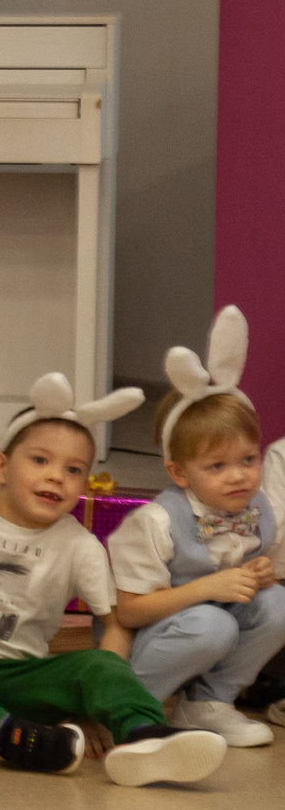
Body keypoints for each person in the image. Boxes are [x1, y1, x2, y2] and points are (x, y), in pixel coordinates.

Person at [0, 374, 229, 787]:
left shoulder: (80, 546)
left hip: (17, 681)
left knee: (97, 662)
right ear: (1, 465)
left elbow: (114, 625)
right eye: (40, 460)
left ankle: (144, 736)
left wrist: (89, 712)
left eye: (74, 469)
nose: (56, 476)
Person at [106, 307, 285, 747]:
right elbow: (127, 612)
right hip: (153, 636)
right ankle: (133, 707)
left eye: (248, 459)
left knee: (277, 602)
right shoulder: (157, 521)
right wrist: (211, 588)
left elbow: (244, 568)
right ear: (179, 473)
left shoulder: (258, 507)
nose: (239, 476)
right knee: (213, 625)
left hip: (209, 621)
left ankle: (208, 703)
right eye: (217, 465)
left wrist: (256, 575)